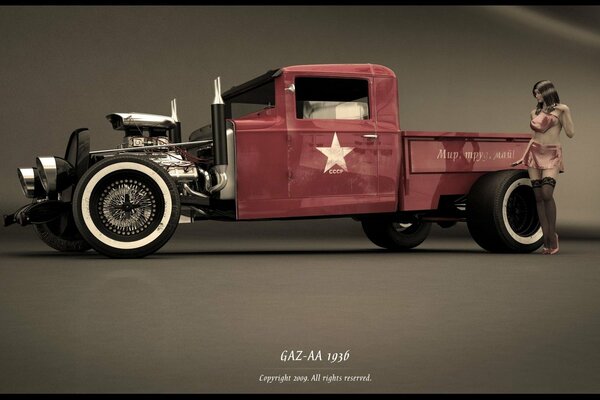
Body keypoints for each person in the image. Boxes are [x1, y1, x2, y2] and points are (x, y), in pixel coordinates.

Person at [511, 80, 575, 255]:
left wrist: (566, 111)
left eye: (538, 92)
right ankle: (545, 239)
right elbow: (534, 137)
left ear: (547, 92)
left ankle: (552, 235)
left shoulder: (561, 110)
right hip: (534, 153)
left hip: (552, 154)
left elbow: (570, 133)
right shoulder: (534, 112)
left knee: (547, 193)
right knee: (538, 197)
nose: (536, 96)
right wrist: (522, 157)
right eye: (535, 93)